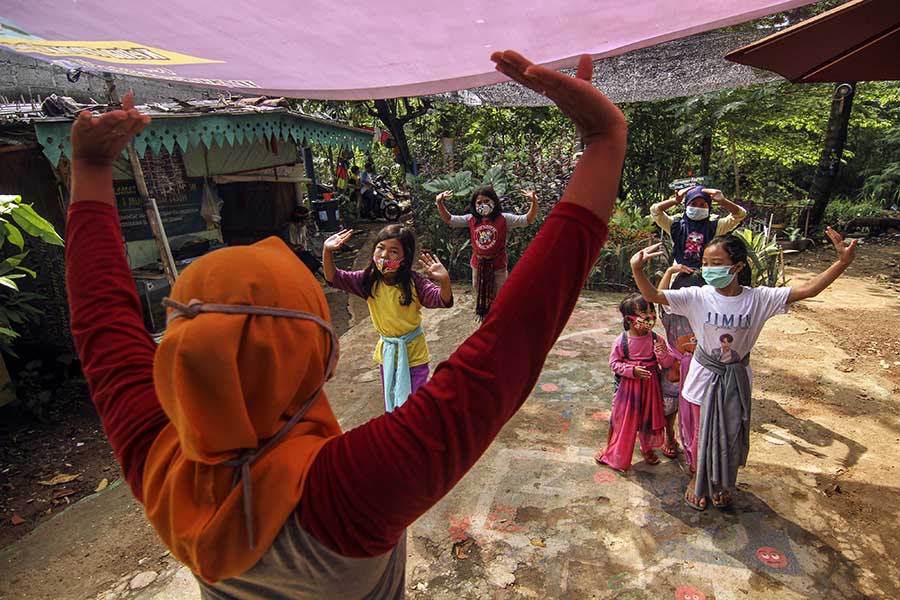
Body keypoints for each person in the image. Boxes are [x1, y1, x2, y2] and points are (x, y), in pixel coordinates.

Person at [64, 48, 626, 598]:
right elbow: (510, 341)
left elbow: (103, 330)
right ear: (319, 358)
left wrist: (88, 170)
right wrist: (602, 143)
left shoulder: (158, 461)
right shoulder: (351, 492)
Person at [630, 229, 857, 511]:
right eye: (706, 262)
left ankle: (724, 481)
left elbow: (808, 289)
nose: (708, 269)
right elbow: (652, 294)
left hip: (735, 379)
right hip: (702, 378)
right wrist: (636, 268)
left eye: (716, 262)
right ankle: (697, 479)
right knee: (699, 435)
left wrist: (842, 263)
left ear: (737, 266)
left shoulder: (759, 298)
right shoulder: (697, 296)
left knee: (730, 434)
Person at [323, 225, 453, 412]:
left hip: (414, 355)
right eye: (380, 248)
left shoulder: (415, 283)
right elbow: (334, 277)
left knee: (413, 406)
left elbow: (442, 299)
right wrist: (327, 251)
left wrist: (444, 281)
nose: (384, 255)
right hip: (387, 355)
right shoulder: (367, 280)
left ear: (405, 257)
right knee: (391, 402)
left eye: (393, 251)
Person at [594, 294, 673, 471]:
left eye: (651, 310)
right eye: (643, 312)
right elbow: (614, 363)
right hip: (626, 389)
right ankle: (610, 447)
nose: (649, 316)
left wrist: (661, 353)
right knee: (618, 417)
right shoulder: (621, 341)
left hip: (650, 389)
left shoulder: (656, 339)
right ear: (629, 319)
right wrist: (632, 371)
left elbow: (667, 364)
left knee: (648, 420)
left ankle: (647, 449)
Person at [435, 187, 539, 319]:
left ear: (494, 201)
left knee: (500, 294)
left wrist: (534, 202)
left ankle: (499, 318)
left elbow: (527, 220)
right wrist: (439, 203)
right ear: (474, 205)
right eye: (479, 202)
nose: (482, 205)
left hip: (498, 265)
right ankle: (486, 318)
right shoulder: (471, 219)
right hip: (478, 264)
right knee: (479, 290)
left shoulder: (504, 219)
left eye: (486, 200)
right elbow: (449, 219)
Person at [656, 264, 704, 466]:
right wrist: (669, 272)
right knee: (669, 407)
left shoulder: (706, 311)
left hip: (699, 368)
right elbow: (657, 295)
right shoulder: (670, 311)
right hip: (673, 368)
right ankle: (670, 436)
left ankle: (695, 446)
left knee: (696, 410)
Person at [650, 186, 747, 269]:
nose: (698, 207)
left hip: (705, 274)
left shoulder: (716, 227)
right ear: (686, 205)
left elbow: (740, 215)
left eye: (702, 205)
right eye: (693, 204)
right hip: (678, 273)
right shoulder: (675, 226)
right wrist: (674, 201)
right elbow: (655, 211)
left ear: (709, 207)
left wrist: (723, 201)